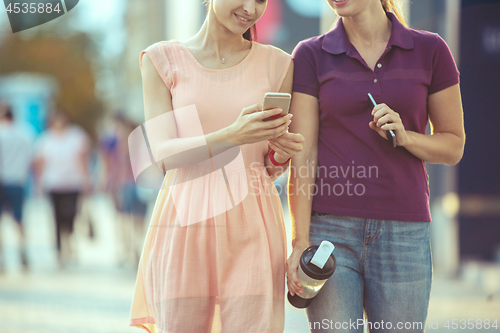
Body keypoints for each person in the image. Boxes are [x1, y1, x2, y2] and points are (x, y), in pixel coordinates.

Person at [285, 0, 465, 332]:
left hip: (405, 234)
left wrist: (407, 137)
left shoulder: (430, 50)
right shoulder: (310, 55)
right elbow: (304, 153)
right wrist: (299, 240)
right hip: (330, 234)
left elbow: (453, 145)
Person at [129, 0, 305, 332]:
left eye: (261, 0)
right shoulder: (161, 59)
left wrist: (281, 154)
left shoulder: (278, 64)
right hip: (185, 222)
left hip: (253, 221)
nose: (251, 9)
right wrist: (234, 134)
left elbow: (268, 166)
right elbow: (164, 154)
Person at [34, 110, 91, 268]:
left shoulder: (76, 136)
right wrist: (39, 184)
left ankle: (70, 242)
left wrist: (86, 181)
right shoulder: (45, 139)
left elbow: (82, 159)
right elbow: (41, 163)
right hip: (54, 183)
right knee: (57, 217)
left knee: (72, 215)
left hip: (73, 182)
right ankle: (60, 250)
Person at [0, 102, 36, 273]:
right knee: (19, 219)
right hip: (18, 181)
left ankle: (2, 257)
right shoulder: (25, 133)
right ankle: (22, 250)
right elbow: (32, 158)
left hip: (2, 181)